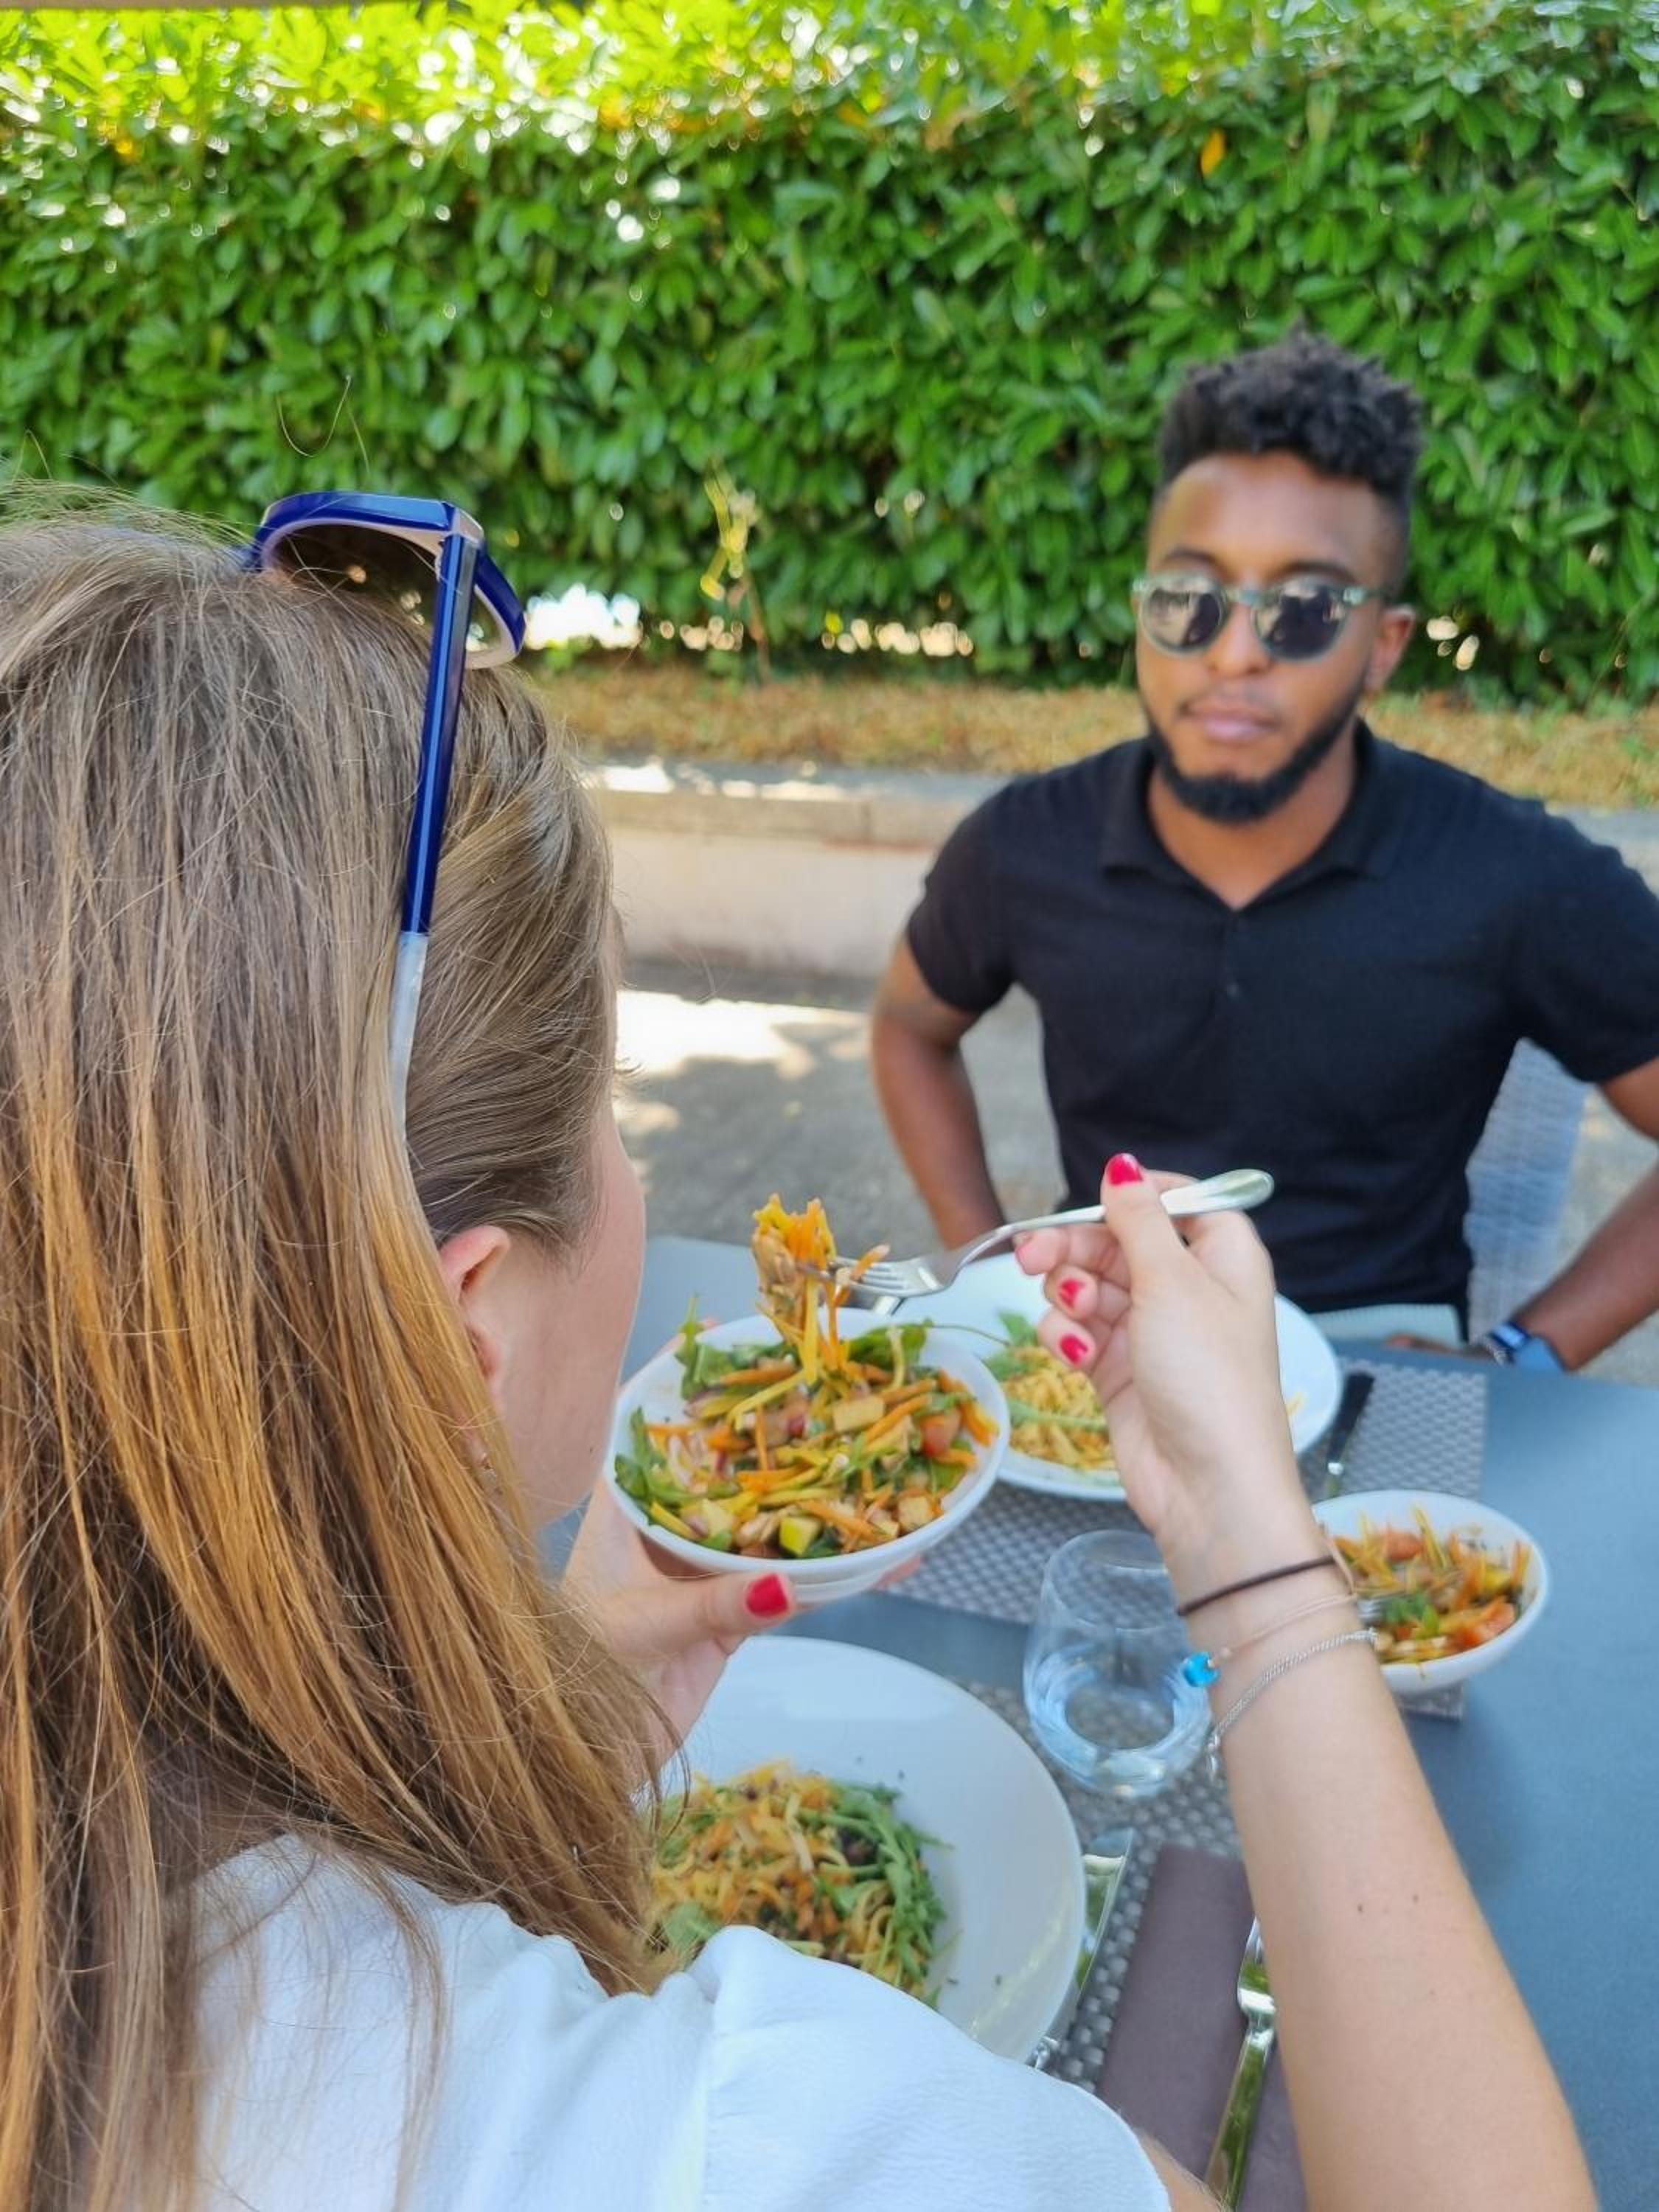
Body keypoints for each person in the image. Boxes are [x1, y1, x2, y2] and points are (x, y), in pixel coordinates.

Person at [0, 501, 1591, 2212]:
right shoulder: (731, 2145)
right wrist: (1260, 1572)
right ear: (453, 1336)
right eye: (612, 1100)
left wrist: (516, 1758)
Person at [872, 332, 1659, 1368]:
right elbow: (908, 1028)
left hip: (1380, 1360)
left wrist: (1524, 1355)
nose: (1233, 652)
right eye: (1188, 599)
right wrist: (987, 1266)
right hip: (1106, 1342)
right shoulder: (1025, 846)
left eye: (1304, 609)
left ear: (1381, 647)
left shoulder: (1513, 874)